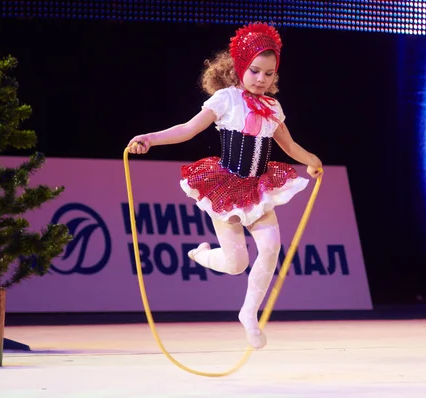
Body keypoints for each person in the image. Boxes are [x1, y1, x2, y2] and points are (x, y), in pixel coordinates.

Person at [128, 22, 323, 349]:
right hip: (227, 190)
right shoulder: (227, 99)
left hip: (259, 190)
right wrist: (150, 139)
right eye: (255, 71)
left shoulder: (273, 108)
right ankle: (202, 253)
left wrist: (311, 159)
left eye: (269, 73)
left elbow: (288, 146)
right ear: (240, 68)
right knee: (236, 264)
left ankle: (249, 313)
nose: (262, 79)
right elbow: (188, 129)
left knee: (271, 247)